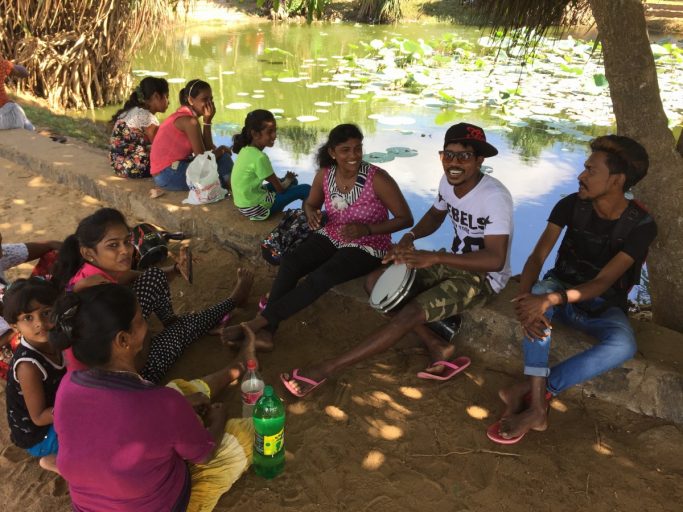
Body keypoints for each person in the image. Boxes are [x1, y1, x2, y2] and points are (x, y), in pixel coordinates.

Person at [279, 122, 514, 397]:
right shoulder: (448, 182)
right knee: (376, 282)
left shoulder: (494, 197)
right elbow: (436, 215)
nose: (454, 163)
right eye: (448, 155)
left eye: (464, 156)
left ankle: (326, 369)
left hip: (483, 278)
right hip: (452, 262)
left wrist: (435, 257)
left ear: (479, 160)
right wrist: (409, 237)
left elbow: (495, 260)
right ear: (441, 156)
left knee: (411, 311)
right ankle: (438, 345)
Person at [488, 135, 657, 444]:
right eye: (584, 168)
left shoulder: (641, 225)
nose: (581, 176)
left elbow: (603, 282)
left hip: (603, 306)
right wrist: (528, 297)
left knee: (623, 345)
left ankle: (530, 390)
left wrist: (549, 299)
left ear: (617, 180)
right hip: (559, 291)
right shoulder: (570, 205)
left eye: (591, 170)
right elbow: (537, 256)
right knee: (539, 293)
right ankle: (537, 408)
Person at [52, 284, 256, 511]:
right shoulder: (162, 404)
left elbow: (111, 427)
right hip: (164, 504)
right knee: (247, 433)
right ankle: (241, 367)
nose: (147, 327)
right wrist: (219, 417)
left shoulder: (67, 386)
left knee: (178, 390)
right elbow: (205, 454)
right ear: (122, 340)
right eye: (140, 321)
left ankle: (236, 368)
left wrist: (179, 408)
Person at [222, 123, 413, 350]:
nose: (353, 156)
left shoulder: (378, 179)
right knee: (292, 262)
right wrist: (311, 213)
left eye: (358, 148)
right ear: (332, 152)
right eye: (345, 150)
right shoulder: (325, 174)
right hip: (332, 233)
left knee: (324, 275)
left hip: (368, 244)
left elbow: (405, 218)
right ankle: (267, 332)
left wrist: (367, 229)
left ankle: (258, 323)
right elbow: (310, 203)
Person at [52, 208, 253, 383]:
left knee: (154, 276)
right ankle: (232, 301)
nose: (125, 251)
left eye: (127, 241)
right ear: (88, 253)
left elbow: (130, 276)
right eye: (113, 245)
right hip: (125, 376)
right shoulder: (96, 292)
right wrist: (147, 336)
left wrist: (174, 269)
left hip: (116, 349)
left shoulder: (93, 273)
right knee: (183, 330)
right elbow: (130, 361)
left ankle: (172, 321)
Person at [4, 278, 64, 474]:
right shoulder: (28, 367)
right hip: (40, 436)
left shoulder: (58, 339)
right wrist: (78, 404)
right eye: (28, 318)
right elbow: (38, 418)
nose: (40, 324)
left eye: (46, 313)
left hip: (56, 410)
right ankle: (55, 460)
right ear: (15, 327)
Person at [150, 79, 232, 191]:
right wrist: (221, 149)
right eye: (204, 99)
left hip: (172, 169)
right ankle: (232, 188)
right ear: (190, 100)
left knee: (222, 159)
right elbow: (202, 159)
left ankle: (230, 186)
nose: (209, 103)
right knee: (219, 176)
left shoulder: (188, 117)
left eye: (211, 99)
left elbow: (207, 150)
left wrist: (207, 121)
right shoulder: (189, 121)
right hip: (167, 174)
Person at [0, 233, 62, 378]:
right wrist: (18, 328)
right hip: (8, 341)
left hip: (20, 318)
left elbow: (49, 245)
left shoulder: (2, 254)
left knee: (55, 256)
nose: (2, 251)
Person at [231, 109, 311, 220]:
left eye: (275, 130)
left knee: (293, 182)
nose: (274, 135)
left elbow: (272, 179)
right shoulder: (259, 158)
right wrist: (287, 179)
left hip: (244, 203)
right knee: (307, 189)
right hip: (256, 208)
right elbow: (280, 189)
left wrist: (287, 179)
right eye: (270, 132)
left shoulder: (246, 149)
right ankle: (306, 221)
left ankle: (281, 206)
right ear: (255, 134)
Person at [109, 76, 169, 179]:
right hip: (132, 167)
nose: (169, 101)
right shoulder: (145, 116)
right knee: (171, 162)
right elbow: (160, 147)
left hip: (117, 164)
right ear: (156, 96)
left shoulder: (133, 110)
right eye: (167, 96)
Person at [0, 54, 34, 131]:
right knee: (19, 113)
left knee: (19, 114)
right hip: (6, 110)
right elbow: (24, 72)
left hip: (6, 109)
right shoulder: (2, 63)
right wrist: (10, 67)